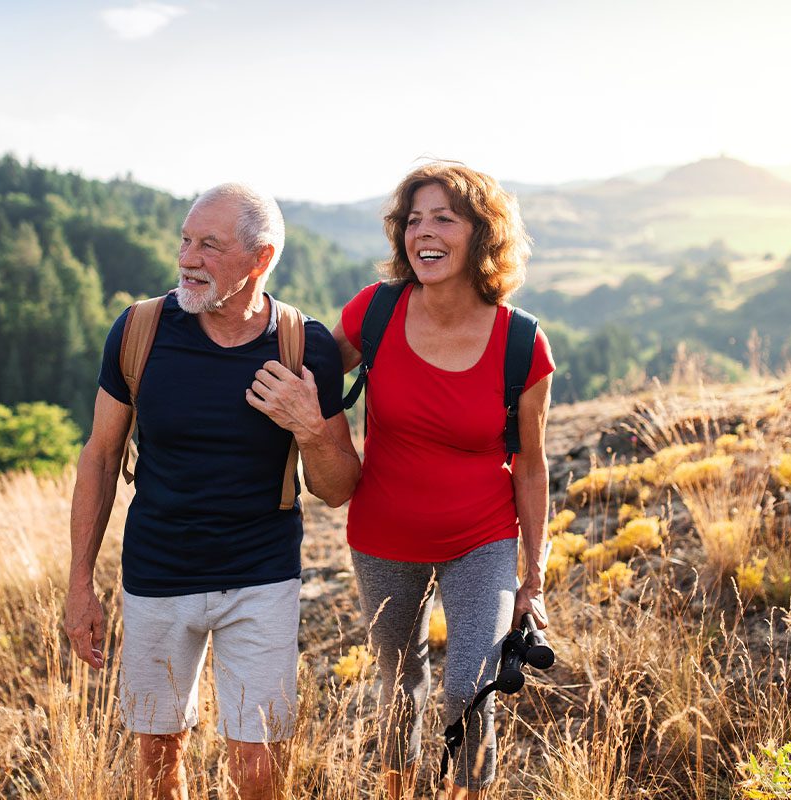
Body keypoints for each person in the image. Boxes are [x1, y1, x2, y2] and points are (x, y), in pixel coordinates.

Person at [257, 162, 554, 799]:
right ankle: (397, 790)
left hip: (484, 537)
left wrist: (535, 566)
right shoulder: (378, 311)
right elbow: (307, 369)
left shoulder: (522, 342)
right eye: (414, 219)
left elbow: (530, 463)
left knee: (470, 684)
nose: (425, 231)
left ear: (482, 233)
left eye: (445, 217)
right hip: (383, 535)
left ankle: (469, 791)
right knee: (399, 683)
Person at [64, 183, 360, 800]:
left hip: (261, 576)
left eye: (209, 245)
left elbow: (338, 489)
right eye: (185, 240)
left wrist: (308, 424)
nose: (187, 258)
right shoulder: (140, 330)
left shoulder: (305, 347)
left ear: (261, 258)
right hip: (157, 575)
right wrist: (79, 582)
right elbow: (99, 456)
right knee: (158, 760)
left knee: (256, 768)